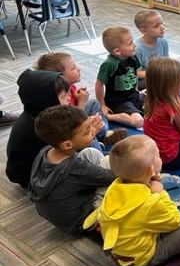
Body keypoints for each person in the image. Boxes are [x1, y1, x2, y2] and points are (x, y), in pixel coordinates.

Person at [83, 134, 180, 266]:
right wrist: (160, 193)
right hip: (143, 258)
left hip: (121, 253)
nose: (160, 157)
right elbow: (176, 220)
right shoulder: (150, 203)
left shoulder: (115, 185)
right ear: (151, 169)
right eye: (158, 155)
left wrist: (149, 180)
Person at [28, 105, 115, 235]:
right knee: (112, 165)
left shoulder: (45, 151)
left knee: (89, 152)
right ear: (67, 145)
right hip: (81, 221)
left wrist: (87, 132)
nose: (93, 130)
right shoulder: (76, 168)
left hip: (60, 215)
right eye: (87, 130)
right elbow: (112, 177)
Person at [35, 52, 127, 147]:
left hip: (78, 118)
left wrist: (79, 99)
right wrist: (82, 102)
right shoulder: (59, 98)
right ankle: (98, 151)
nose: (79, 69)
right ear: (61, 76)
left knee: (93, 103)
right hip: (73, 129)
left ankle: (105, 134)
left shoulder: (70, 88)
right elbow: (74, 123)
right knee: (89, 136)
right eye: (73, 68)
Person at [6, 70, 71, 189]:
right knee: (81, 160)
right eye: (63, 96)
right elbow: (66, 150)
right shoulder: (41, 126)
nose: (68, 98)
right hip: (32, 177)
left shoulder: (38, 113)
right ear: (48, 100)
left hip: (39, 164)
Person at [143, 57, 180, 170]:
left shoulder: (157, 97)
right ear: (171, 85)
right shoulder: (171, 106)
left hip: (160, 154)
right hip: (173, 158)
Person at [95, 27, 144, 129]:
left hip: (133, 96)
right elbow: (99, 84)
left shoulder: (132, 57)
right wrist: (102, 105)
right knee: (138, 121)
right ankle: (109, 117)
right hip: (119, 101)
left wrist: (136, 90)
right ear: (117, 51)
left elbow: (134, 73)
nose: (134, 45)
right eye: (130, 43)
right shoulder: (109, 64)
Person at [133, 9, 180, 90]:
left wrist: (171, 70)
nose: (162, 27)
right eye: (156, 26)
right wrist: (158, 73)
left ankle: (171, 84)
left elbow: (167, 61)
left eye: (162, 23)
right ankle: (175, 83)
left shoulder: (163, 41)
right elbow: (137, 73)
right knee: (142, 85)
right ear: (144, 31)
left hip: (164, 73)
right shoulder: (138, 48)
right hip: (151, 76)